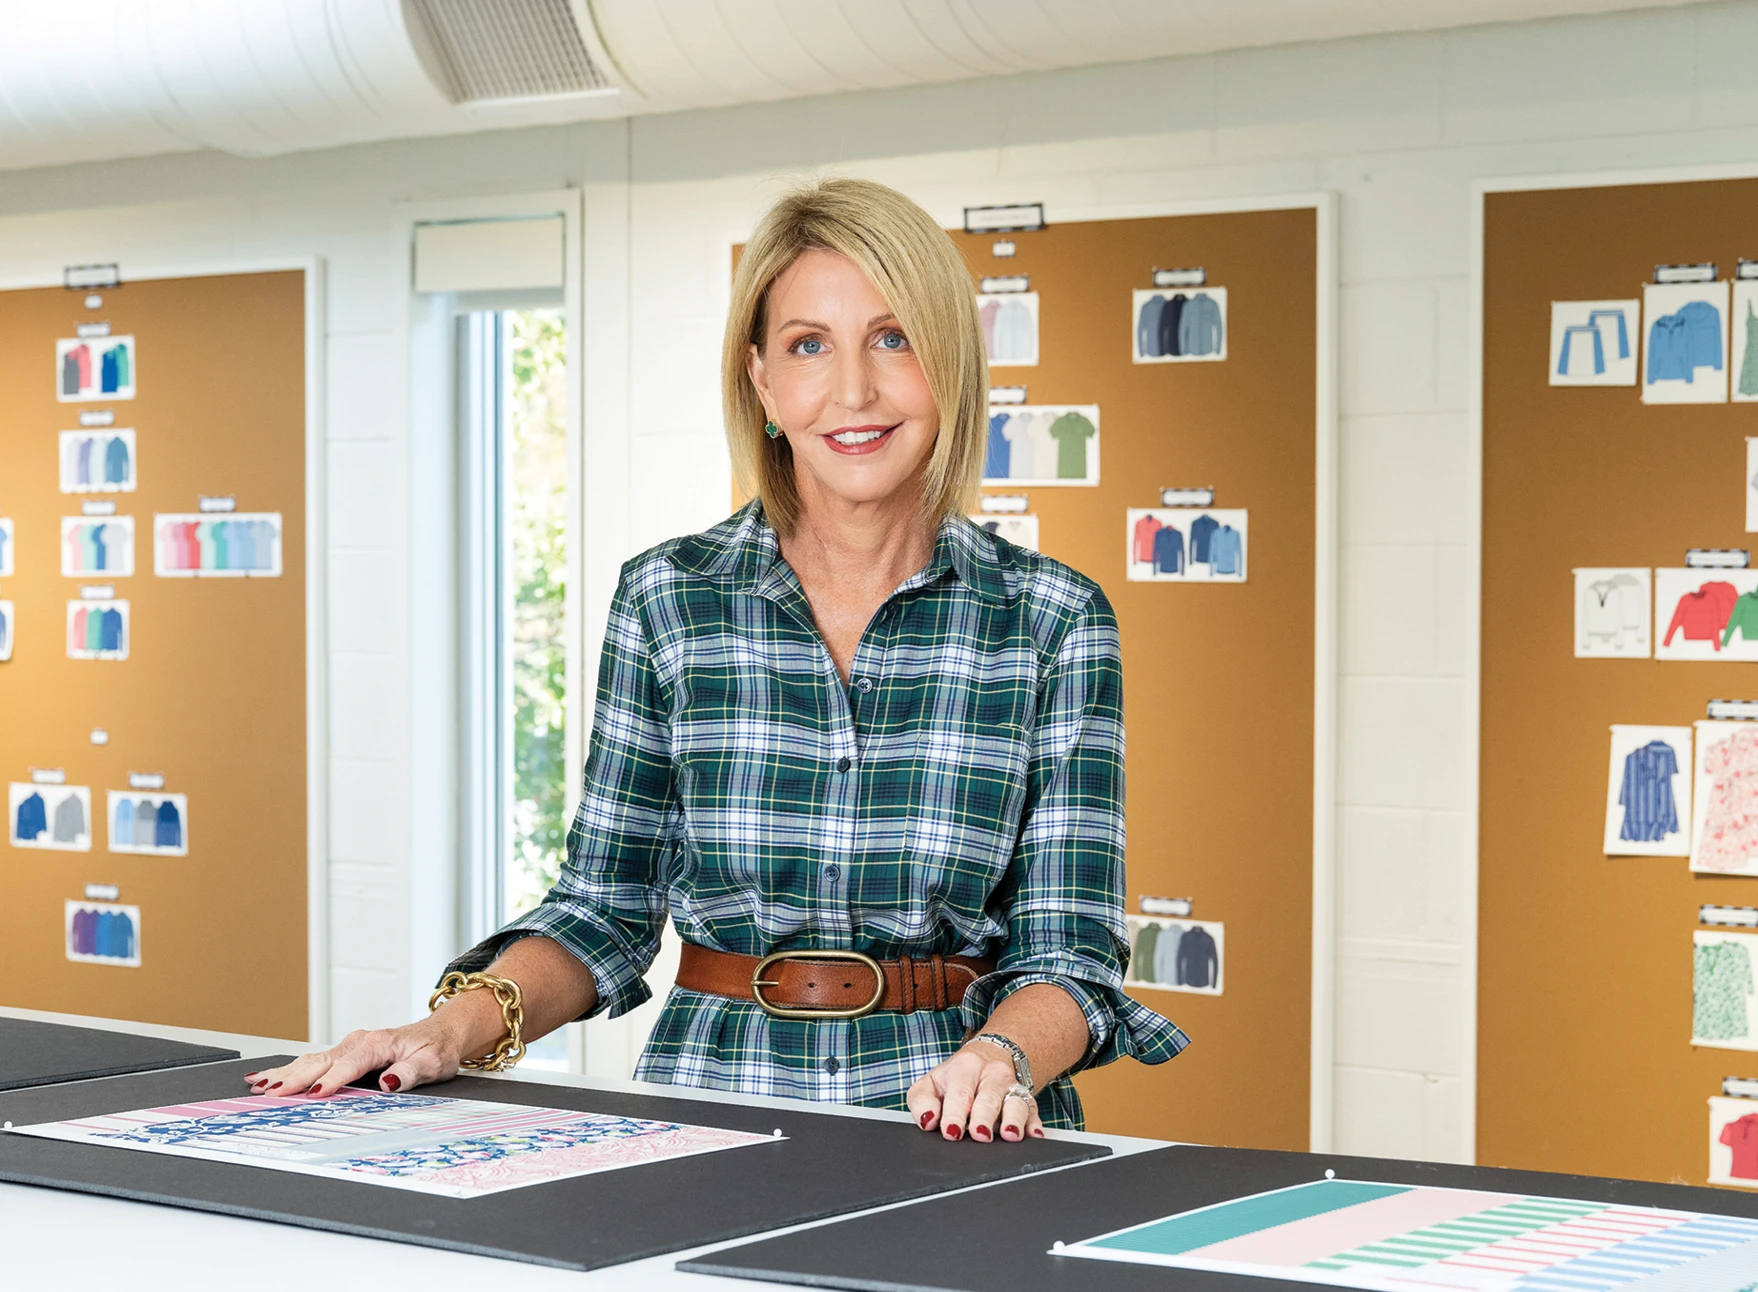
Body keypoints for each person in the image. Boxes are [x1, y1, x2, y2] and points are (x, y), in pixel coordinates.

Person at [250, 177, 1186, 1144]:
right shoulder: (668, 598)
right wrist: (447, 1031)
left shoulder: (1053, 619)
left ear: (949, 362)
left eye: (894, 337)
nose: (854, 389)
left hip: (960, 1124)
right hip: (713, 1111)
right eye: (809, 345)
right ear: (764, 382)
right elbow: (602, 912)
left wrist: (1003, 1056)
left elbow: (1070, 953)